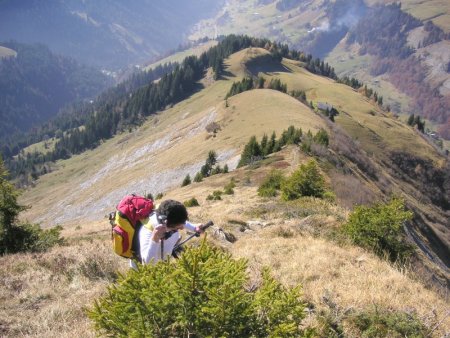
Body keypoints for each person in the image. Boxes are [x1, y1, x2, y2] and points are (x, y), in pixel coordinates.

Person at [130, 199, 202, 269]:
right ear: (165, 223)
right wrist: (154, 240)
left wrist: (194, 228)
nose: (182, 228)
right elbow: (147, 264)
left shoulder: (172, 221)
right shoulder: (147, 230)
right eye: (176, 228)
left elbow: (180, 222)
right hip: (145, 274)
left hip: (162, 263)